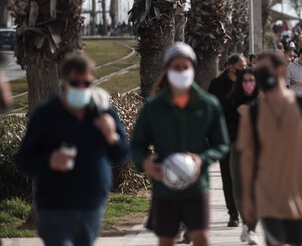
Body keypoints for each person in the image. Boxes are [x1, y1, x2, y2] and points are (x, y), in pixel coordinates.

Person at [16, 53, 130, 246]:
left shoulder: (103, 112)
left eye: (87, 84)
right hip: (54, 207)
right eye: (75, 83)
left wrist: (112, 137)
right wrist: (49, 161)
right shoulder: (46, 114)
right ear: (64, 82)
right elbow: (23, 160)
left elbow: (123, 155)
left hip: (91, 205)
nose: (82, 88)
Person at [131, 42, 229, 246]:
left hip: (197, 186)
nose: (182, 71)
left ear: (193, 69)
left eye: (186, 67)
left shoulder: (207, 104)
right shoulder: (153, 107)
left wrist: (202, 159)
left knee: (201, 238)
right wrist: (146, 164)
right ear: (167, 70)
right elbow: (137, 145)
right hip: (164, 187)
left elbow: (221, 144)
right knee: (167, 241)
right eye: (176, 67)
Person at [238, 51, 302, 246]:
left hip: (299, 196)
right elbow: (247, 157)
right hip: (267, 197)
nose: (260, 75)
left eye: (264, 70)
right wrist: (247, 198)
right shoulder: (253, 112)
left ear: (281, 71)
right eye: (257, 71)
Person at [208, 53, 247, 227]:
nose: (245, 70)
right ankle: (233, 213)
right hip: (225, 138)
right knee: (228, 177)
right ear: (231, 67)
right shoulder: (217, 85)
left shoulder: (249, 83)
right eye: (241, 67)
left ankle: (246, 210)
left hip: (246, 138)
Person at [228, 69, 260, 245]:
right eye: (245, 80)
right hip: (237, 149)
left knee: (256, 191)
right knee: (239, 191)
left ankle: (252, 228)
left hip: (258, 151)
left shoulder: (262, 103)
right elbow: (225, 122)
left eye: (252, 80)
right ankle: (246, 221)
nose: (249, 83)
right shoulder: (232, 101)